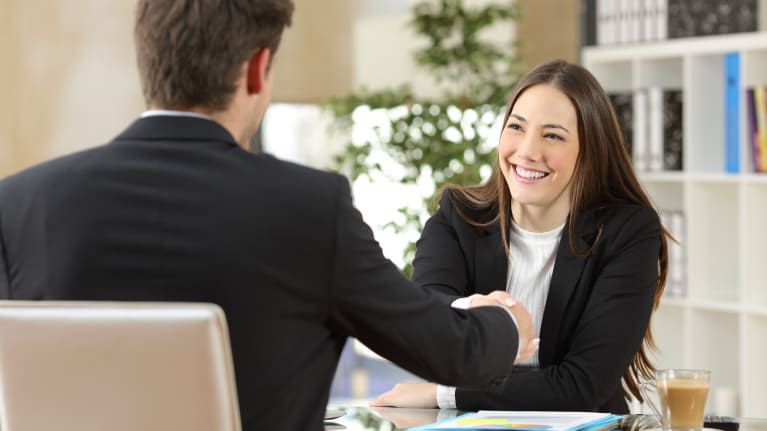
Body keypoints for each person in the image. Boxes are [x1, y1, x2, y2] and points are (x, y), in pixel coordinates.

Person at [0, 1, 539, 430]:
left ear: (147, 59)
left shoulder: (21, 203)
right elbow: (448, 351)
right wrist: (507, 322)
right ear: (258, 69)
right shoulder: (308, 208)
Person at [370, 59, 670, 414]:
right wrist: (465, 312)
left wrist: (443, 394)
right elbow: (426, 321)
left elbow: (583, 385)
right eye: (516, 127)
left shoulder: (627, 232)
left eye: (553, 135)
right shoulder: (459, 216)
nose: (527, 151)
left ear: (589, 152)